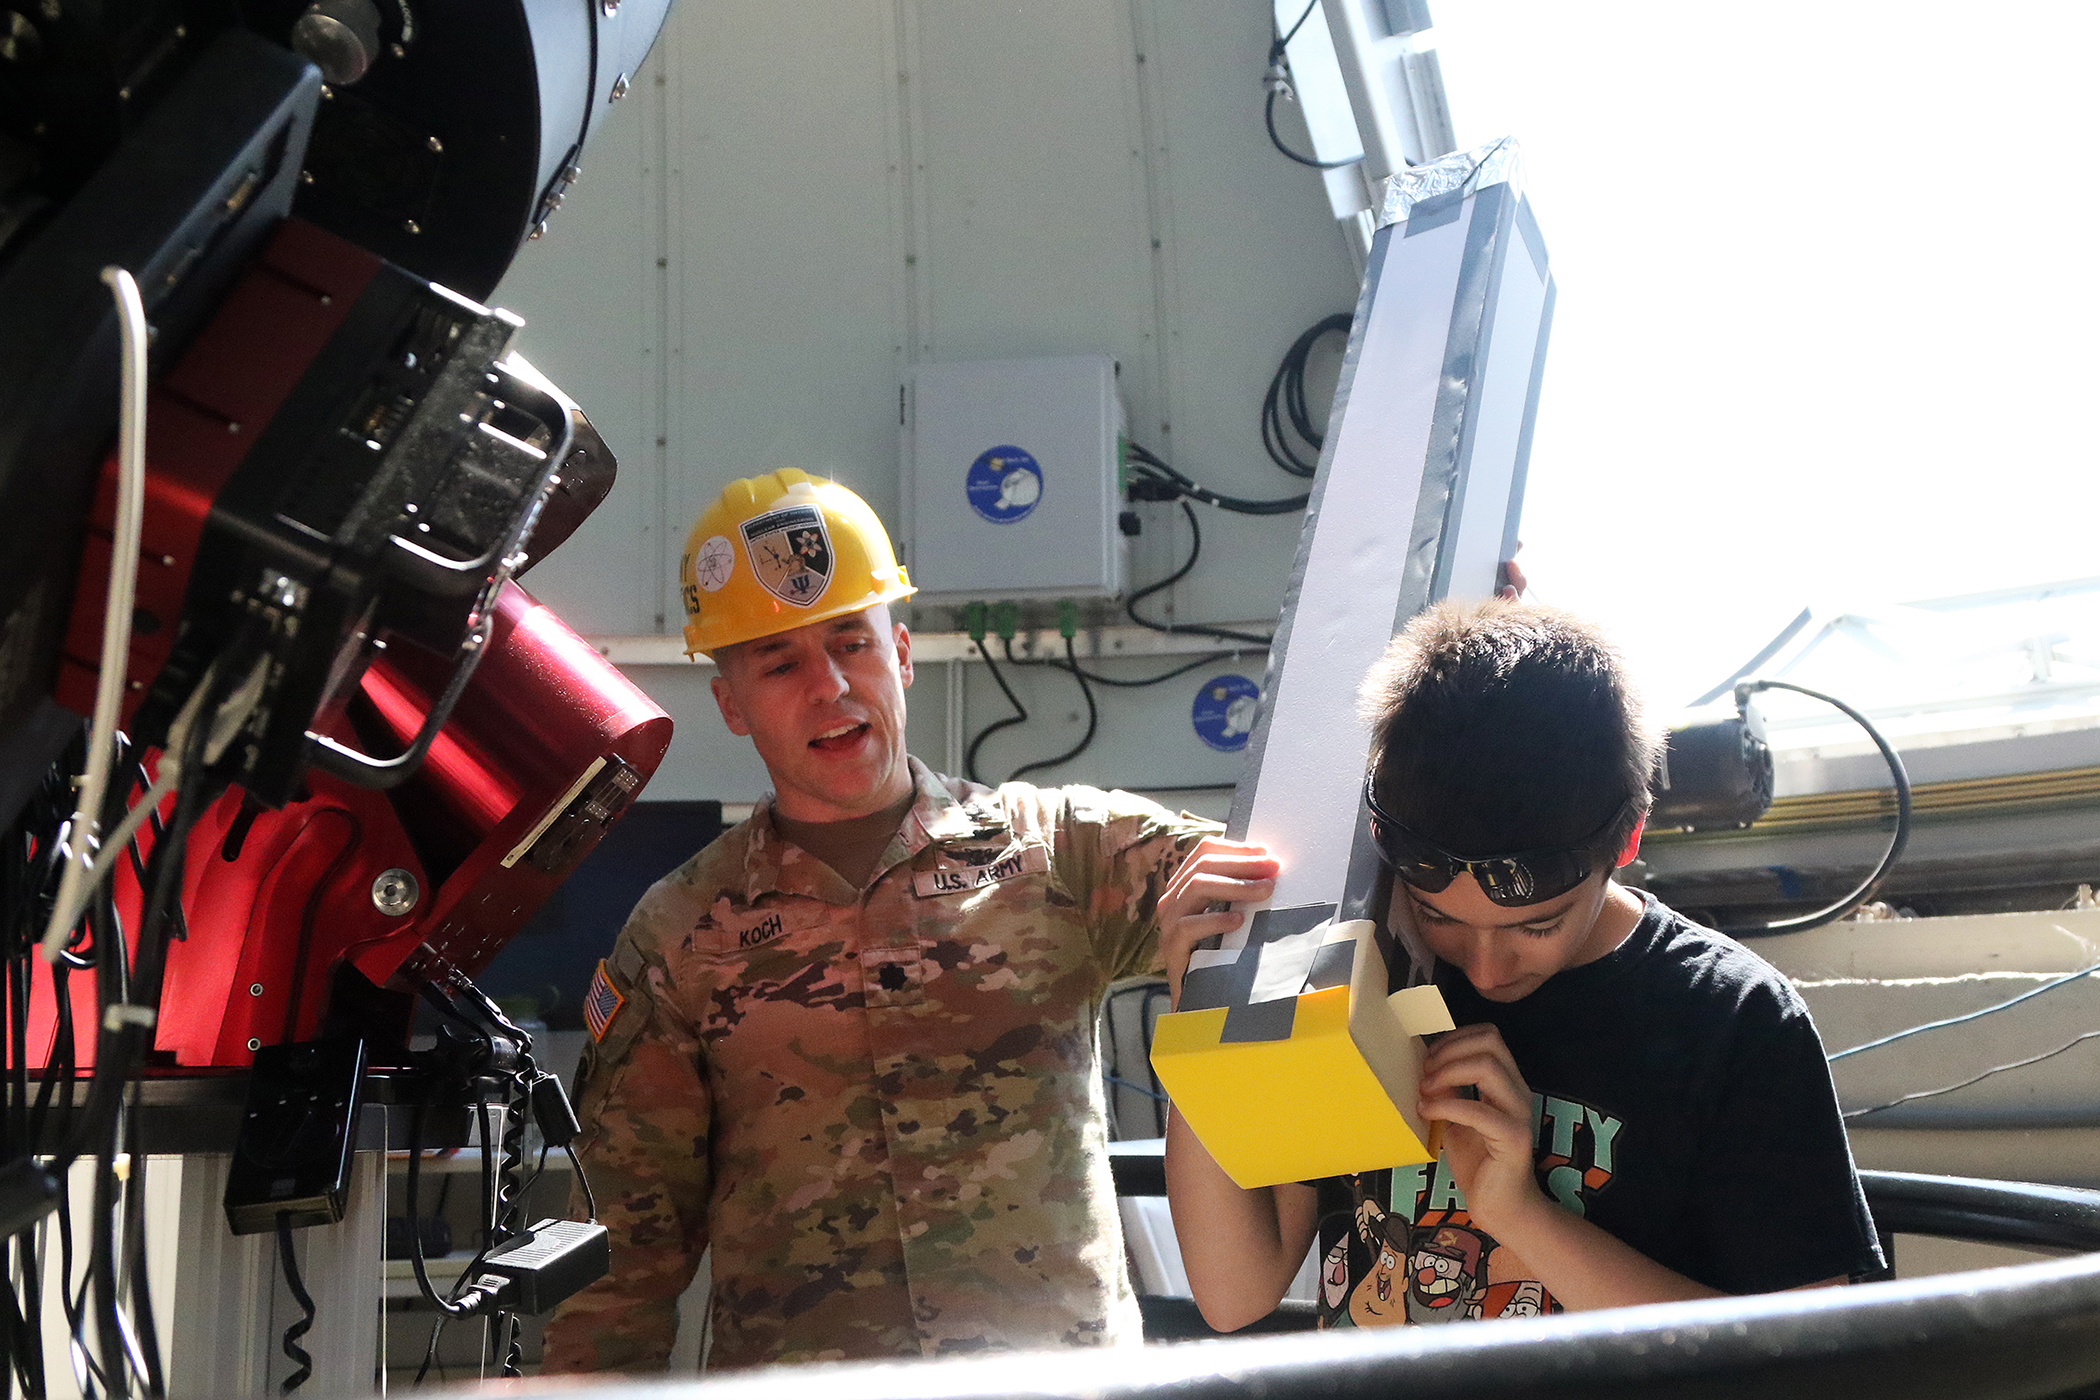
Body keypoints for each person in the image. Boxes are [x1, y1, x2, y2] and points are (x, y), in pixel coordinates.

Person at [540, 469, 1220, 1371]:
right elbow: (621, 1255)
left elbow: (1274, 892)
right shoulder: (680, 936)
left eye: (850, 643)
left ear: (900, 654)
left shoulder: (1058, 852)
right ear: (732, 705)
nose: (829, 685)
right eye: (780, 662)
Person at [1159, 600, 1883, 1332]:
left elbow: (1803, 1350)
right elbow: (1233, 1291)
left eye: (1536, 925)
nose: (1485, 971)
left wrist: (1519, 1214)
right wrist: (1210, 1005)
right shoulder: (1365, 968)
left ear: (1627, 838)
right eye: (1440, 916)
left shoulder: (1732, 1018)